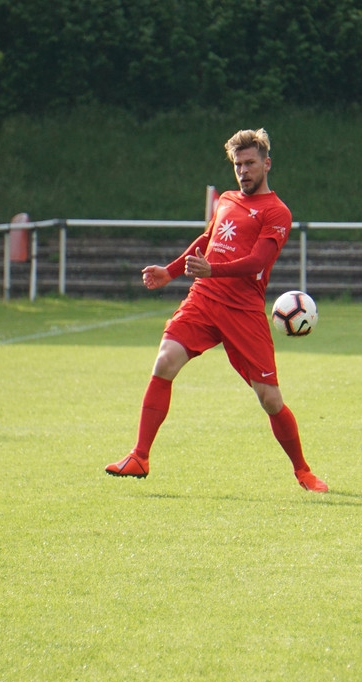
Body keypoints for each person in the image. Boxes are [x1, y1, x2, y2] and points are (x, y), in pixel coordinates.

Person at [104, 128, 328, 492]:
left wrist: (214, 269)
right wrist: (170, 271)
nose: (243, 171)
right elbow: (207, 241)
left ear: (266, 164)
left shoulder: (277, 212)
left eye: (250, 163)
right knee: (164, 361)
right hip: (204, 298)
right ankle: (139, 456)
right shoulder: (226, 199)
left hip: (243, 310)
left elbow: (258, 261)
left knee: (270, 399)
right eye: (238, 164)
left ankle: (302, 470)